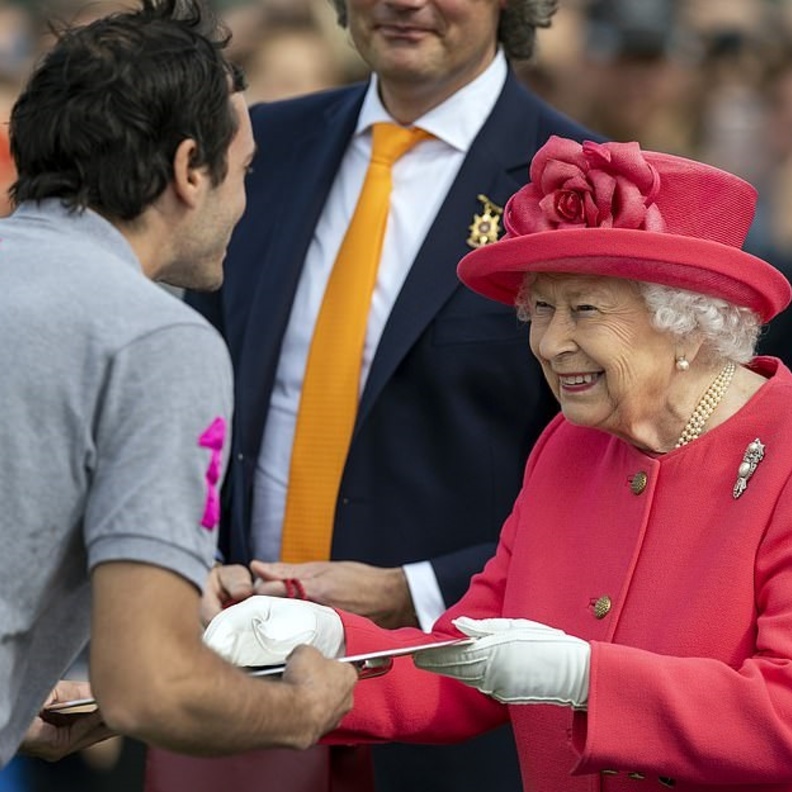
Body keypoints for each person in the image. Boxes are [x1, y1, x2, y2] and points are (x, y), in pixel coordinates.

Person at [204, 134, 792, 790]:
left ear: (690, 323)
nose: (550, 342)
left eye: (585, 310)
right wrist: (325, 645)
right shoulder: (569, 446)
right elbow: (471, 657)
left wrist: (586, 679)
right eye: (541, 309)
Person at [143, 1, 602, 791]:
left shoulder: (576, 184)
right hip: (239, 686)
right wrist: (191, 566)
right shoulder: (260, 143)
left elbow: (607, 484)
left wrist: (411, 591)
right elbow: (192, 398)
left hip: (448, 704)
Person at [0, 0, 356, 772]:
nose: (246, 201)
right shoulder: (159, 338)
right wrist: (306, 708)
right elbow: (150, 687)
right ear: (191, 169)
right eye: (245, 171)